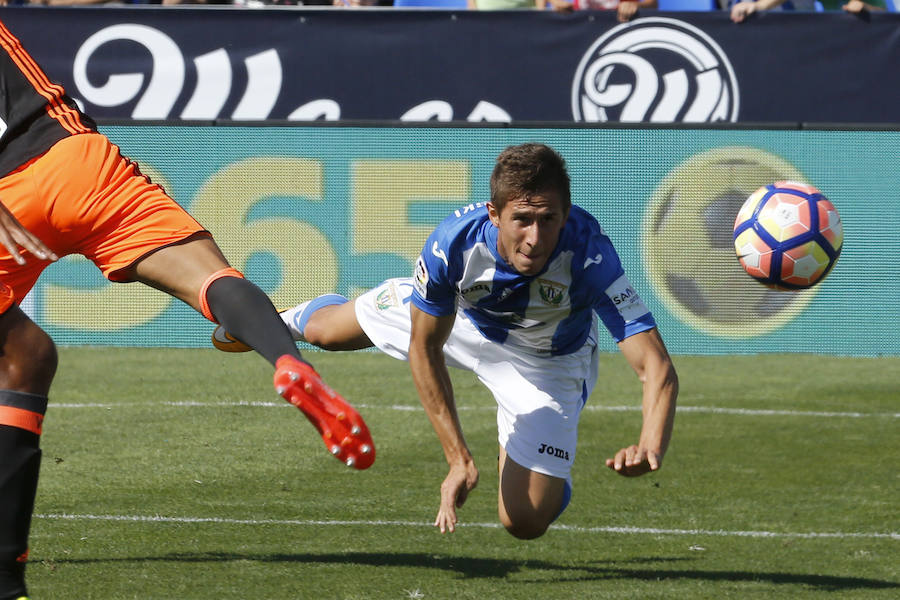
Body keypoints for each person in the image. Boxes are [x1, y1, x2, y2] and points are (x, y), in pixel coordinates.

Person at [0, 18, 374, 600]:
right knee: (211, 278)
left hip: (6, 197)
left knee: (17, 358)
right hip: (76, 162)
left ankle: (4, 576)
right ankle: (286, 358)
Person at [214, 143, 678, 540]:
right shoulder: (451, 245)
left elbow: (654, 365)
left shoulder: (591, 253)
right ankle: (283, 318)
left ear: (566, 212)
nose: (535, 238)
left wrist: (650, 446)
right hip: (461, 324)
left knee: (525, 522)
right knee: (324, 335)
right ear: (494, 214)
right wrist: (458, 459)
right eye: (522, 219)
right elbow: (425, 348)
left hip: (546, 363)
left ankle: (525, 458)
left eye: (548, 219)